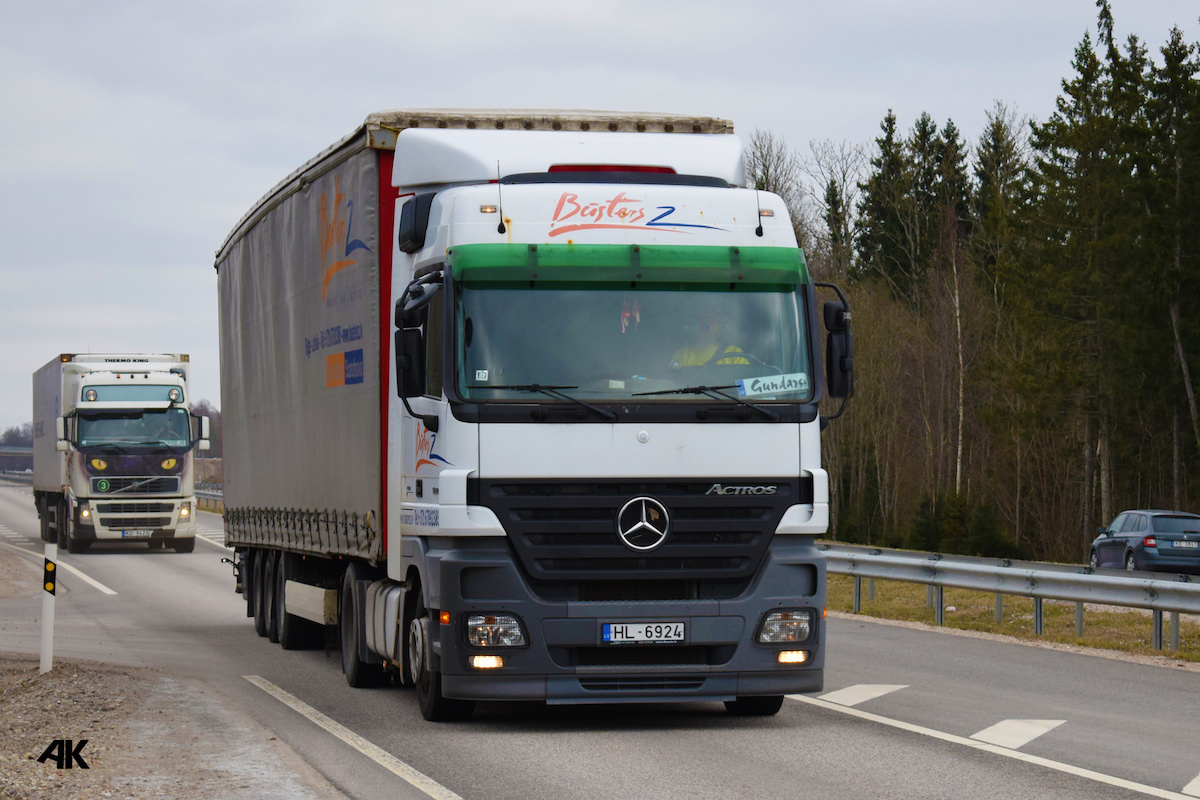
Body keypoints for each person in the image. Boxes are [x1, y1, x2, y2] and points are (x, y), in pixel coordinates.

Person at [669, 311, 749, 369]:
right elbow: (672, 386)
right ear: (694, 329)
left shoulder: (734, 353)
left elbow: (747, 385)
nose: (706, 328)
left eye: (711, 324)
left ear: (718, 328)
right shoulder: (682, 356)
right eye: (701, 324)